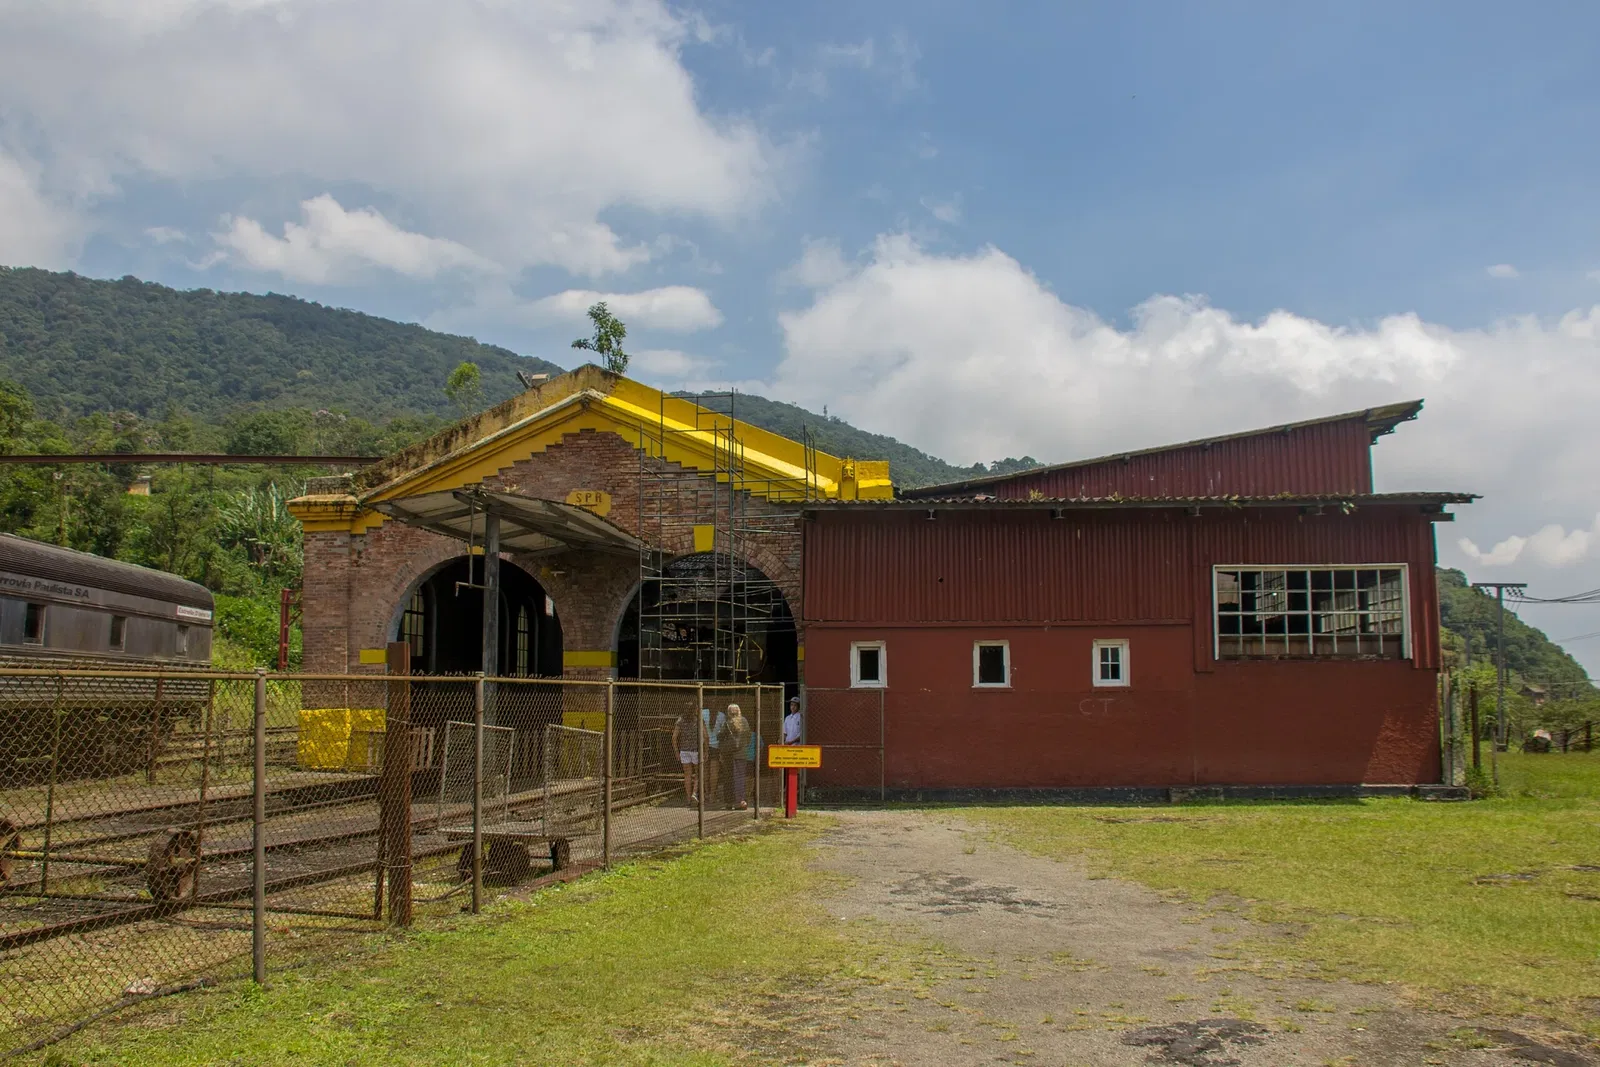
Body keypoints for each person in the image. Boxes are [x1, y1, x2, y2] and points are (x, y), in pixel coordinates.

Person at [724, 703, 753, 810]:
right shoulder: (744, 721)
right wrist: (744, 745)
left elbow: (720, 736)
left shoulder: (728, 723)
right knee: (740, 777)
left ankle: (730, 802)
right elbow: (749, 736)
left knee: (729, 778)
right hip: (742, 753)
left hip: (729, 755)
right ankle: (740, 800)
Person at [671, 708, 700, 804]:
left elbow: (674, 737)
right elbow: (705, 736)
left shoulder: (680, 720)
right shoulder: (697, 720)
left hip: (684, 750)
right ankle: (694, 793)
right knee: (698, 773)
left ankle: (688, 798)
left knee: (687, 775)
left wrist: (676, 751)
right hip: (695, 750)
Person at [701, 704, 727, 806]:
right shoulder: (721, 715)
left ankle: (706, 793)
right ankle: (713, 795)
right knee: (714, 772)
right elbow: (723, 732)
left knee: (705, 771)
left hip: (704, 745)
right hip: (716, 746)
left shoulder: (703, 713)